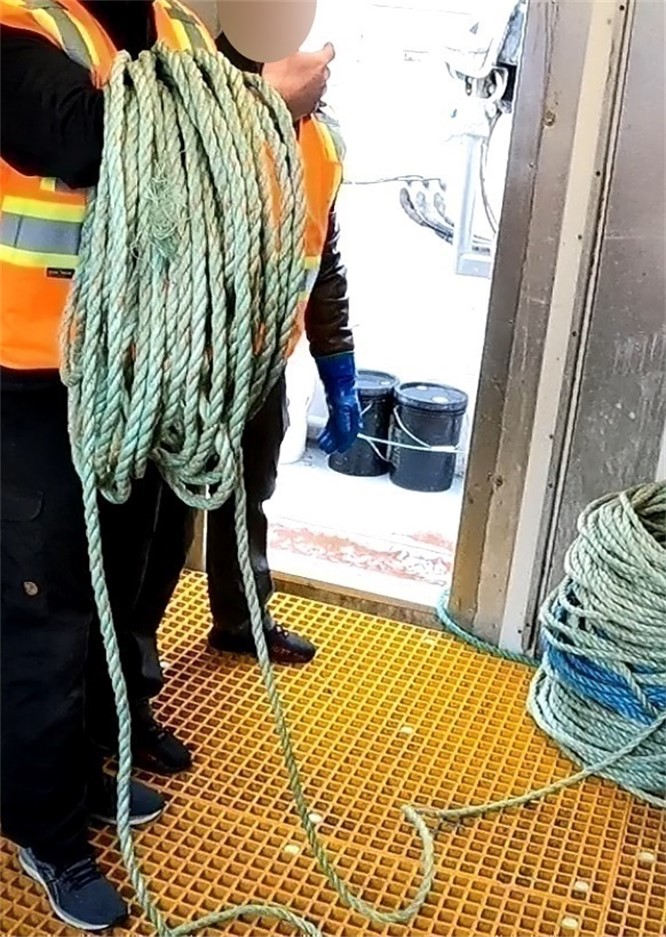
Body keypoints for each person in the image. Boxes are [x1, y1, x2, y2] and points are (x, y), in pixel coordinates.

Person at [0, 0, 335, 929]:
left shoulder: (178, 28)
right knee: (43, 619)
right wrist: (264, 100)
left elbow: (213, 148)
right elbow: (78, 133)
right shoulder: (22, 23)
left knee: (117, 593)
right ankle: (45, 830)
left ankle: (85, 773)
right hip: (31, 383)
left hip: (136, 370)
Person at [89, 29, 362, 779]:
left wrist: (337, 360)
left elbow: (323, 257)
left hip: (261, 361)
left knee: (250, 494)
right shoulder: (200, 131)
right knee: (160, 533)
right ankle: (128, 700)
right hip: (186, 365)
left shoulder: (323, 143)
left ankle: (242, 617)